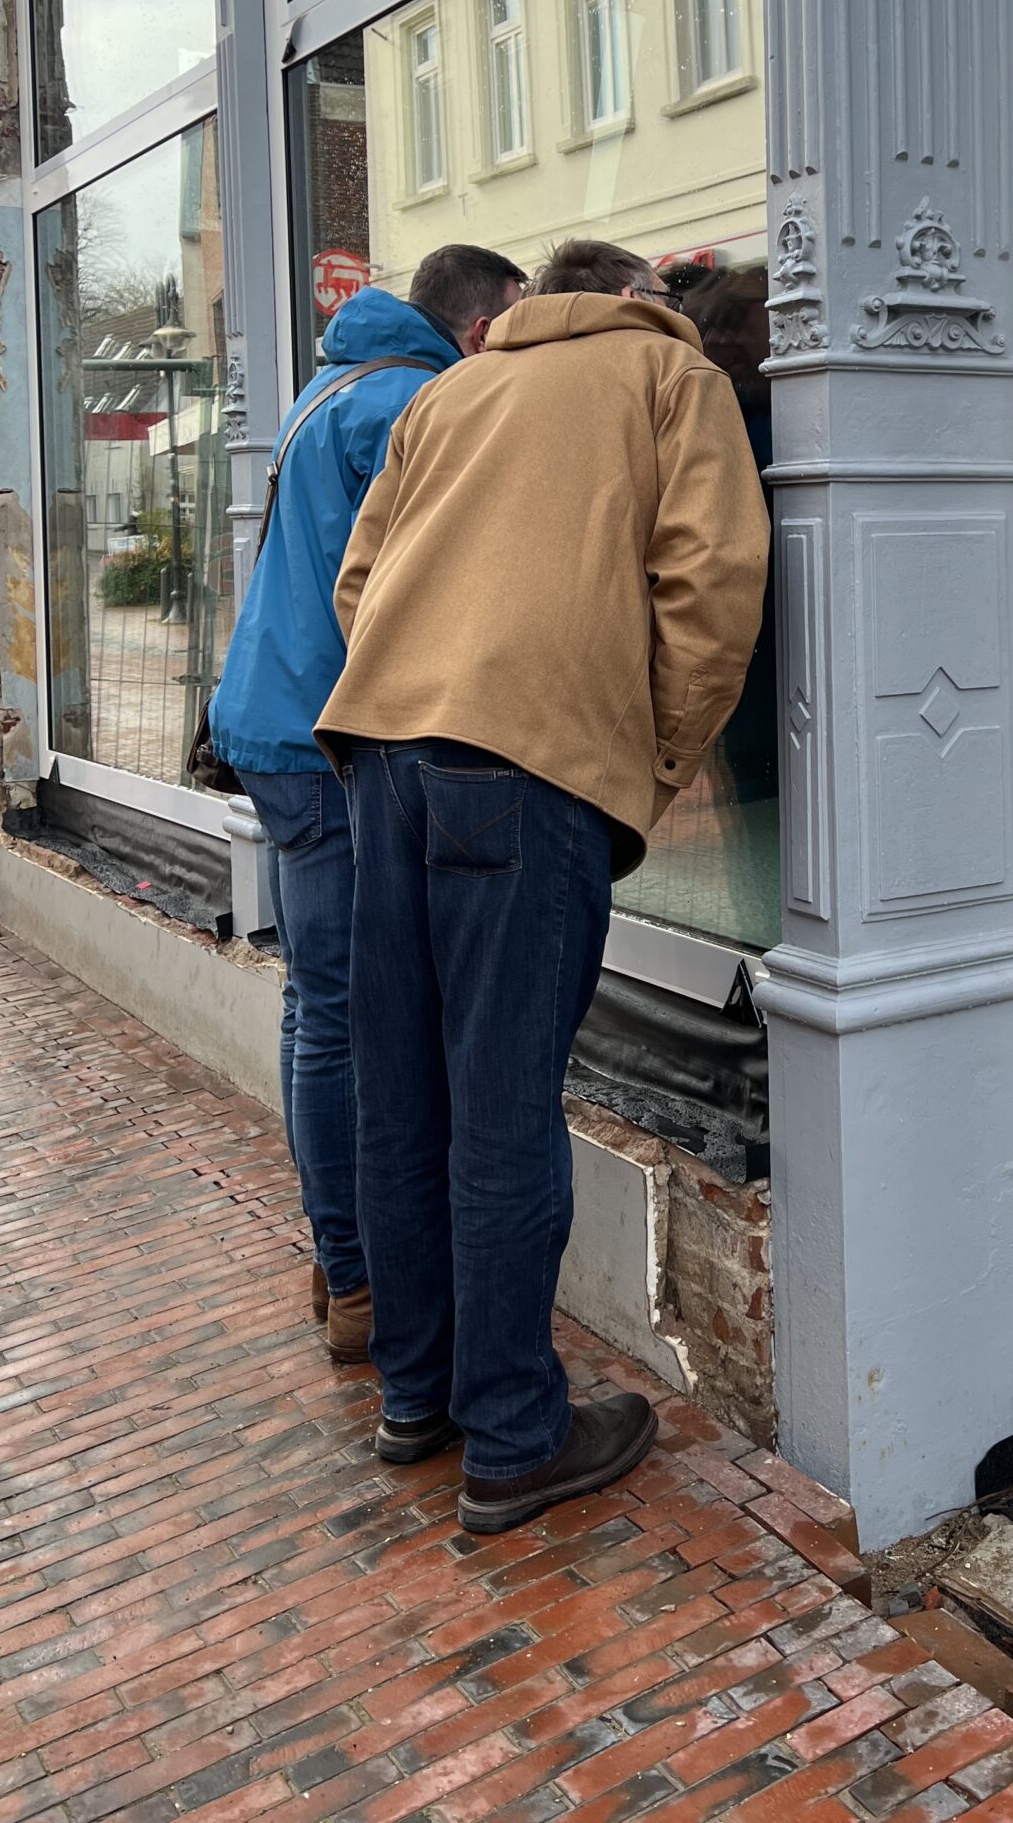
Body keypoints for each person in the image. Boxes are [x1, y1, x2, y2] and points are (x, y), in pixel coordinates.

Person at [317, 237, 769, 1526]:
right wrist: (650, 759)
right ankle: (515, 1431)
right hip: (528, 766)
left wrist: (428, 681)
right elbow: (714, 585)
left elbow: (360, 580)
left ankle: (419, 1396)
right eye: (668, 296)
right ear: (633, 298)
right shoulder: (672, 380)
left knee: (404, 1094)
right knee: (504, 1106)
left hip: (381, 753)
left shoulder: (451, 390)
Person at [208, 246, 525, 1360]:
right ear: (479, 332)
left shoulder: (335, 384)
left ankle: (337, 1252)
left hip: (277, 722)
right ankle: (359, 1280)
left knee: (318, 1007)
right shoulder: (408, 405)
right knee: (344, 1016)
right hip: (325, 737)